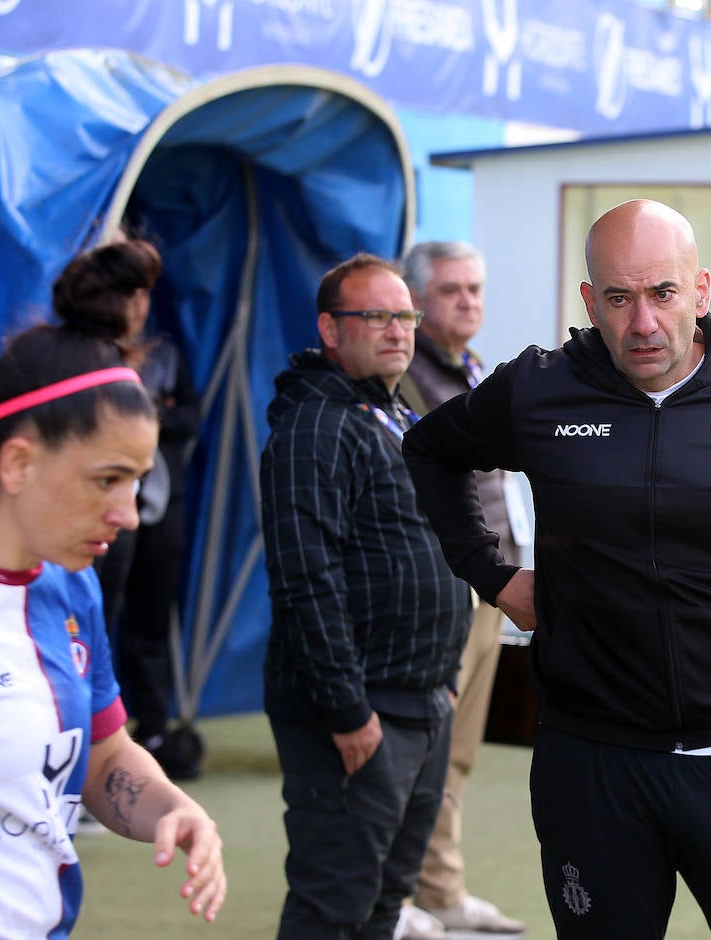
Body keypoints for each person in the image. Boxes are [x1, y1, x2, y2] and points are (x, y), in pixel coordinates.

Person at [402, 199, 711, 939]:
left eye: (662, 293)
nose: (644, 323)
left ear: (700, 290)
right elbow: (430, 449)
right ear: (592, 302)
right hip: (591, 764)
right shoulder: (540, 389)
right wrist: (490, 575)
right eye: (619, 300)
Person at [0, 248, 227, 936]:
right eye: (106, 479)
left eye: (138, 482)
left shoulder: (70, 586)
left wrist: (173, 806)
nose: (128, 510)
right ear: (18, 462)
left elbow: (104, 758)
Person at [260, 252, 472, 939]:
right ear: (330, 328)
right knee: (336, 906)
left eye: (404, 315)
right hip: (359, 713)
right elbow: (304, 579)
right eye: (374, 316)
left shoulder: (387, 412)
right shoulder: (314, 428)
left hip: (419, 702)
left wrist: (441, 687)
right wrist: (349, 712)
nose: (396, 330)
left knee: (384, 904)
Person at [395, 241, 527, 939]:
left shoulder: (470, 368)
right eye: (452, 290)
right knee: (417, 750)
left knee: (458, 753)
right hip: (440, 590)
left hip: (488, 589)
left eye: (475, 288)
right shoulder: (403, 377)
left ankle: (440, 890)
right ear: (414, 300)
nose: (469, 301)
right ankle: (393, 896)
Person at [91, 234, 205, 780]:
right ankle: (94, 745)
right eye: (127, 291)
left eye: (143, 292)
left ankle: (152, 730)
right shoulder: (84, 357)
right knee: (93, 619)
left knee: (150, 621)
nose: (137, 305)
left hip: (157, 509)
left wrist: (149, 418)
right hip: (101, 521)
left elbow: (190, 417)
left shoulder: (165, 354)